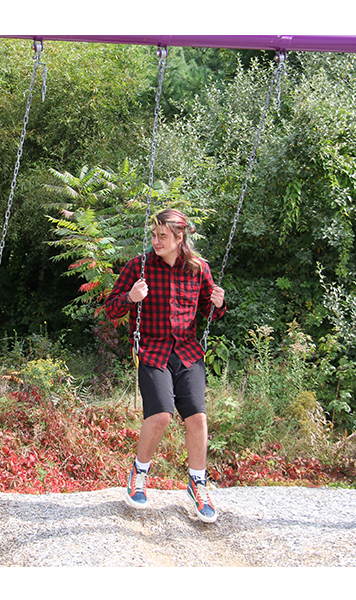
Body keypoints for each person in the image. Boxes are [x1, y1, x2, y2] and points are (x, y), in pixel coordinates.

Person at [104, 209, 227, 523]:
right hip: (153, 350)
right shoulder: (139, 267)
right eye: (154, 235)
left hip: (187, 352)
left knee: (197, 418)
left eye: (162, 236)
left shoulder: (199, 269)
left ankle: (198, 484)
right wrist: (131, 297)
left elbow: (209, 312)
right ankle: (139, 474)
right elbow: (111, 310)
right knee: (160, 416)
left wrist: (218, 303)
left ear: (179, 237)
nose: (155, 241)